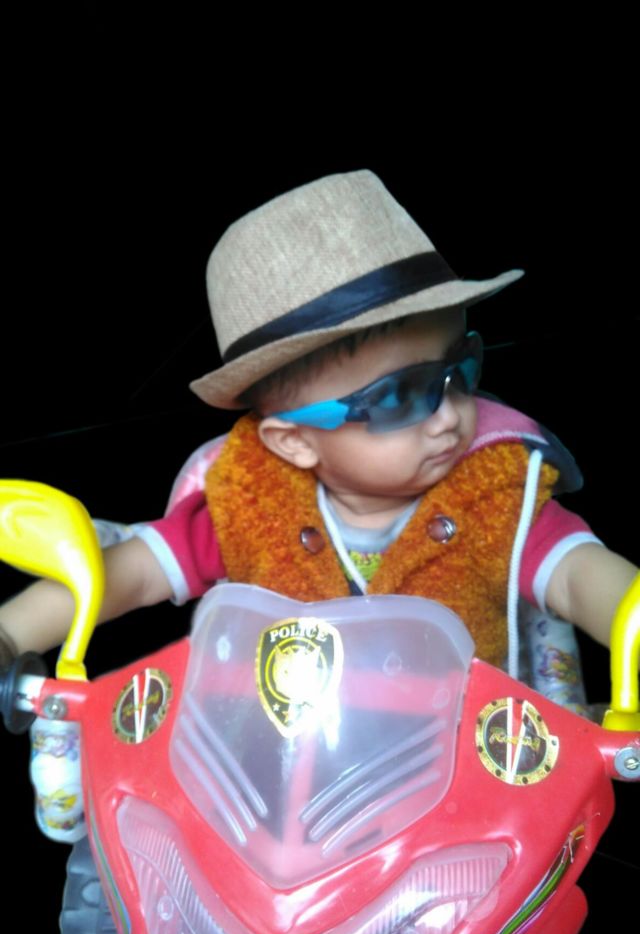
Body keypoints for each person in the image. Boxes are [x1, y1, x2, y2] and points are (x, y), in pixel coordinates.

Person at [0, 170, 636, 680]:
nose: (449, 415)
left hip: (464, 769)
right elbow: (129, 572)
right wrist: (10, 635)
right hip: (281, 771)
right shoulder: (249, 502)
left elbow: (580, 576)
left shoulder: (497, 495)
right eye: (399, 397)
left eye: (459, 369)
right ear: (296, 441)